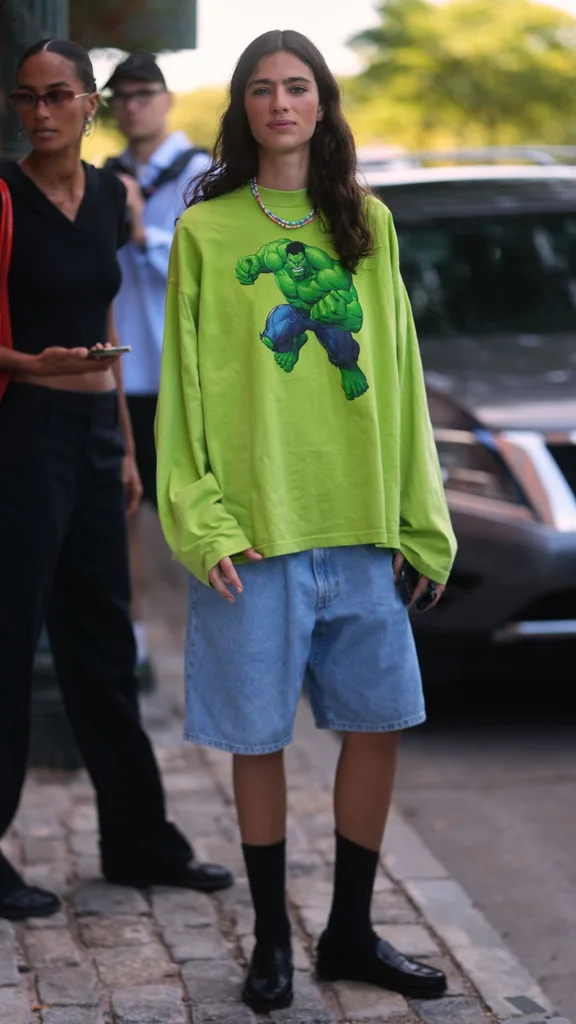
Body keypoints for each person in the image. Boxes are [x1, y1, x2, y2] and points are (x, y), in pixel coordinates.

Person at [155, 28, 457, 1014]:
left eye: (297, 86)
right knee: (259, 738)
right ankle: (271, 943)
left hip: (361, 525)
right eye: (260, 89)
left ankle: (352, 932)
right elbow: (185, 390)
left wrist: (423, 521)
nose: (280, 102)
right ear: (241, 109)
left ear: (322, 103)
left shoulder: (367, 220)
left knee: (377, 727)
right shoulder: (209, 230)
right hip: (255, 530)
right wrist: (200, 518)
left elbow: (403, 377)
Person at [0, 37, 232, 922]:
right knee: (11, 644)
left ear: (90, 101)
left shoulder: (108, 194)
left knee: (104, 642)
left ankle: (139, 840)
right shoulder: (2, 197)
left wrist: (128, 447)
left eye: (59, 96)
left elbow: (105, 310)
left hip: (99, 431)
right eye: (27, 99)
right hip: (21, 432)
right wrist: (32, 363)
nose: (42, 112)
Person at [103, 52, 212, 683]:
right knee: (122, 511)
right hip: (124, 374)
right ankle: (135, 643)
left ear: (167, 99)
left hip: (186, 376)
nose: (134, 105)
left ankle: (222, 638)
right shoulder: (103, 176)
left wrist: (143, 233)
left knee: (198, 512)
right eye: (122, 96)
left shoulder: (202, 174)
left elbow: (211, 269)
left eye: (145, 93)